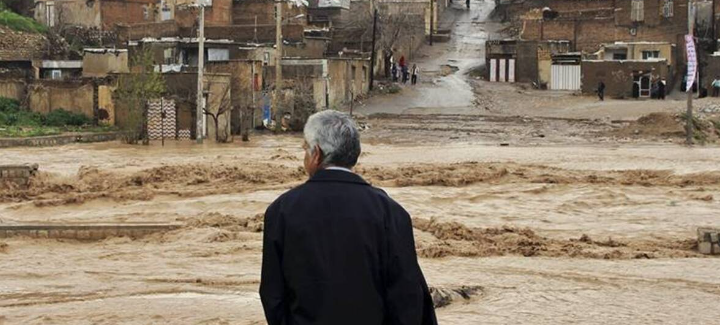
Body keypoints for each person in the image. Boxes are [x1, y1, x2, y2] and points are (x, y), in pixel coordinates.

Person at [260, 110, 438, 325]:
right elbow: (407, 296)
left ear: (316, 154)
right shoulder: (390, 212)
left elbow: (273, 296)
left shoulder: (281, 211)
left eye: (305, 149)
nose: (305, 156)